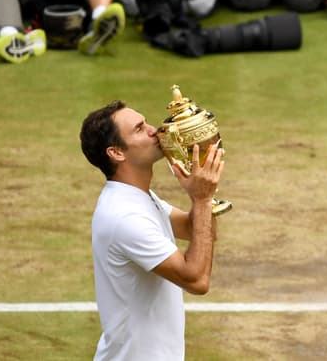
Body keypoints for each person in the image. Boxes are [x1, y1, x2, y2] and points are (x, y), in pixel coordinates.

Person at [79, 100, 223, 360]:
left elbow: (200, 231)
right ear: (116, 153)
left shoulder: (138, 197)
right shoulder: (124, 217)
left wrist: (199, 174)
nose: (154, 130)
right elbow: (197, 280)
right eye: (139, 129)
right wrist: (202, 200)